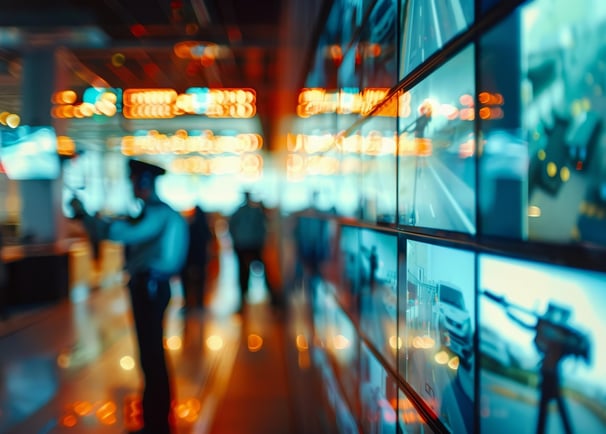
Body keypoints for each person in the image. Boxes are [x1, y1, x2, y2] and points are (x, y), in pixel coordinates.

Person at [70, 159, 188, 434]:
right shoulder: (156, 211)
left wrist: (87, 217)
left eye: (136, 181)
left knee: (151, 355)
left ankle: (156, 423)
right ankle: (155, 420)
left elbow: (122, 232)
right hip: (151, 286)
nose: (133, 186)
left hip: (150, 287)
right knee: (150, 355)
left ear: (145, 182)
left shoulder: (157, 213)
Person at [228, 191, 279, 313]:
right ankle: (244, 300)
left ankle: (272, 299)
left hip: (249, 245)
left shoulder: (250, 212)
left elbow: (261, 228)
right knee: (245, 273)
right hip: (248, 245)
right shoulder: (246, 212)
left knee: (248, 273)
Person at [180, 205, 212, 312]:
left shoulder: (189, 226)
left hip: (189, 257)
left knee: (187, 281)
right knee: (200, 281)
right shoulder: (204, 228)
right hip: (200, 258)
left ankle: (188, 302)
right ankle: (199, 302)